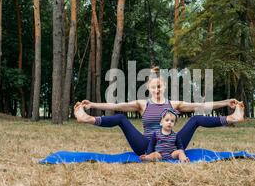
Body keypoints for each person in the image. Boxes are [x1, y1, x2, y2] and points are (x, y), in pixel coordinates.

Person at [73, 66, 245, 156]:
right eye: (154, 87)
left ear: (164, 86)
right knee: (120, 118)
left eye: (159, 86)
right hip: (146, 146)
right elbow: (115, 106)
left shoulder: (174, 104)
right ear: (149, 87)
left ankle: (232, 118)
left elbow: (201, 106)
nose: (156, 90)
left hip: (171, 145)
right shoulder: (142, 104)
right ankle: (88, 119)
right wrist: (93, 105)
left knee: (195, 119)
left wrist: (225, 102)